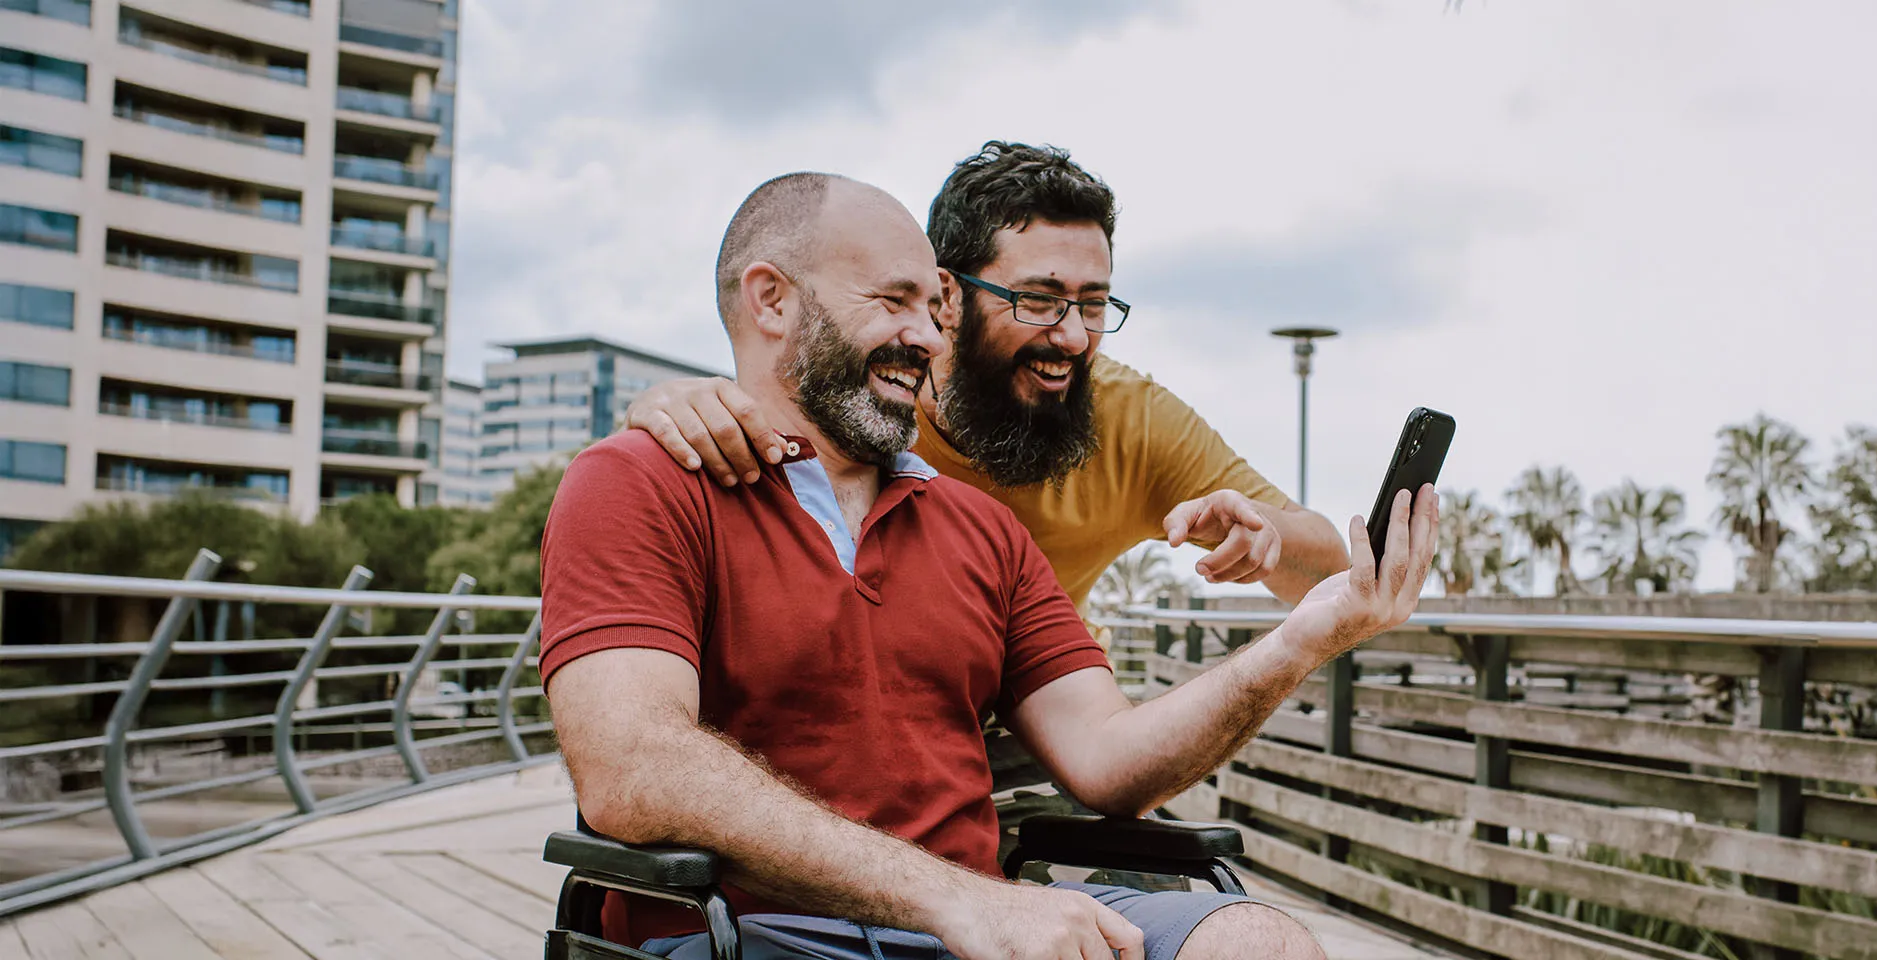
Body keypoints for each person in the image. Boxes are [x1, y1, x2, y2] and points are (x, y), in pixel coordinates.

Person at [541, 171, 1440, 960]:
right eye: (895, 303)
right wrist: (956, 899)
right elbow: (632, 767)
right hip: (756, 928)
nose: (926, 339)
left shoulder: (984, 526)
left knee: (1257, 941)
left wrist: (1303, 638)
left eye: (928, 311)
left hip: (984, 919)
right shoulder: (640, 481)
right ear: (771, 300)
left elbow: (1106, 761)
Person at [622, 141, 1349, 618]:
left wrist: (1271, 537)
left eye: (1094, 304)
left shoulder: (1131, 417)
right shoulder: (876, 398)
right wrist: (668, 405)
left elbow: (1331, 569)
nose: (1070, 335)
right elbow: (778, 401)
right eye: (1036, 299)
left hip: (1051, 742)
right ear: (947, 296)